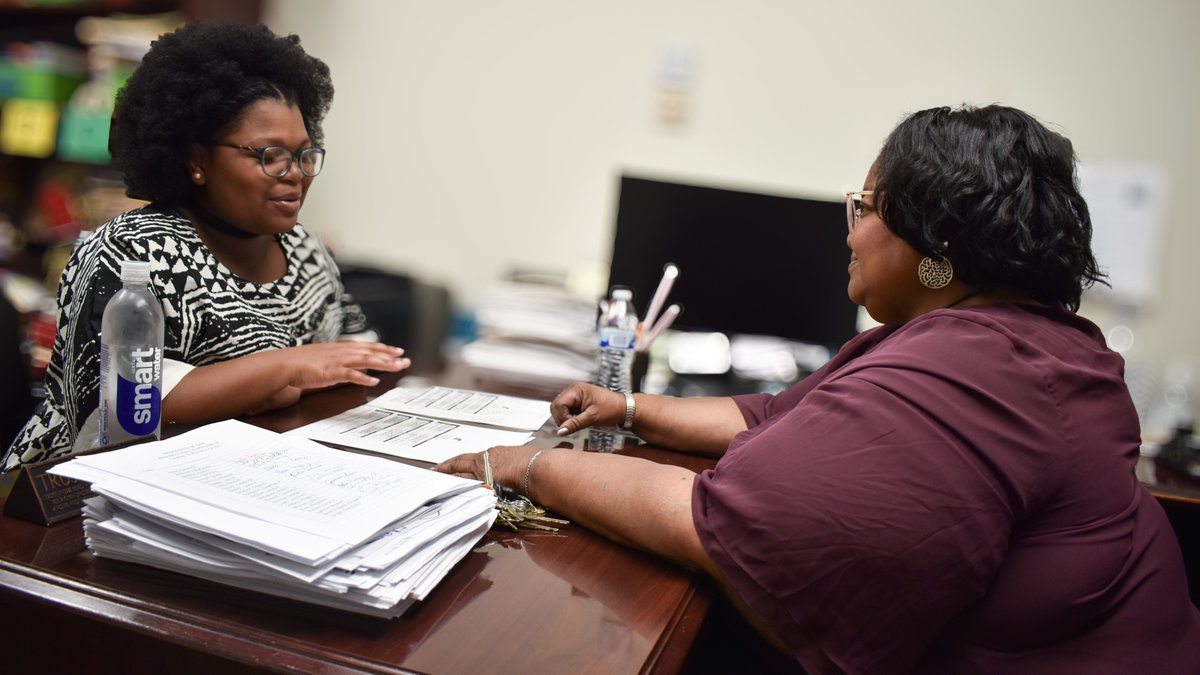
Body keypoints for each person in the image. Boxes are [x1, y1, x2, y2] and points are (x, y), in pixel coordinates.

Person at [438, 105, 1200, 673]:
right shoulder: (1017, 339)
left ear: (933, 249)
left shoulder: (977, 371)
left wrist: (526, 465)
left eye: (864, 208)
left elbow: (731, 523)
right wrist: (632, 407)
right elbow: (773, 416)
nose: (850, 229)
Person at [3, 22, 409, 470]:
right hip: (65, 501)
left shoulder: (305, 247)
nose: (295, 174)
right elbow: (126, 405)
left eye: (304, 154)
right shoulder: (131, 252)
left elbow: (355, 356)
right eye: (268, 155)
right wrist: (285, 370)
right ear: (197, 159)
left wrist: (278, 383)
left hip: (248, 471)